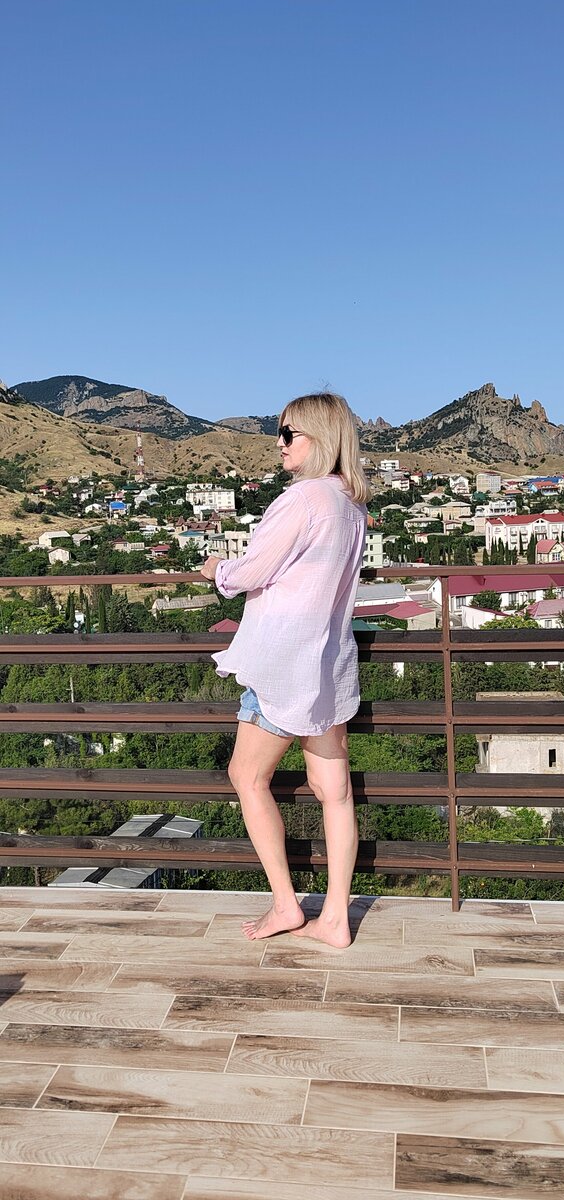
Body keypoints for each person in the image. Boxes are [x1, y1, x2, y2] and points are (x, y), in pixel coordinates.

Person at [199, 391, 372, 946]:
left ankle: (285, 905)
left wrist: (216, 569)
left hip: (283, 666)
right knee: (334, 791)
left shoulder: (302, 499)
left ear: (317, 438)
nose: (279, 443)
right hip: (328, 667)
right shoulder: (352, 504)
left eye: (287, 433)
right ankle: (336, 919)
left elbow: (251, 572)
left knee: (246, 777)